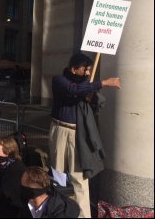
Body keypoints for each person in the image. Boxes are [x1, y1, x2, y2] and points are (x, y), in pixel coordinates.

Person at [49, 53, 121, 218]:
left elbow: (96, 105)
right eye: (85, 69)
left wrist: (91, 99)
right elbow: (72, 89)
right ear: (73, 69)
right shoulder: (59, 80)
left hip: (78, 134)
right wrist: (104, 83)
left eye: (90, 69)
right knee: (58, 175)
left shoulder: (87, 86)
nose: (88, 73)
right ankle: (59, 211)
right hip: (60, 131)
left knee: (80, 178)